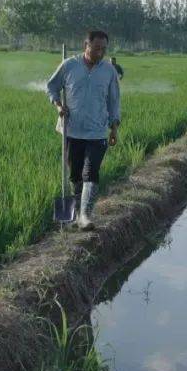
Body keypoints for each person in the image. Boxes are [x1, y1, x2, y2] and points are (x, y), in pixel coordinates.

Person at [45, 30, 121, 230]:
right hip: (72, 130)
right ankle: (72, 215)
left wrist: (114, 128)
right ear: (86, 46)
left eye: (104, 49)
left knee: (91, 172)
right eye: (97, 48)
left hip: (97, 131)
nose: (100, 52)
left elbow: (114, 101)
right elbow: (51, 86)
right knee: (75, 176)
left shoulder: (109, 71)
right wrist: (59, 105)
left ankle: (85, 216)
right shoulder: (69, 65)